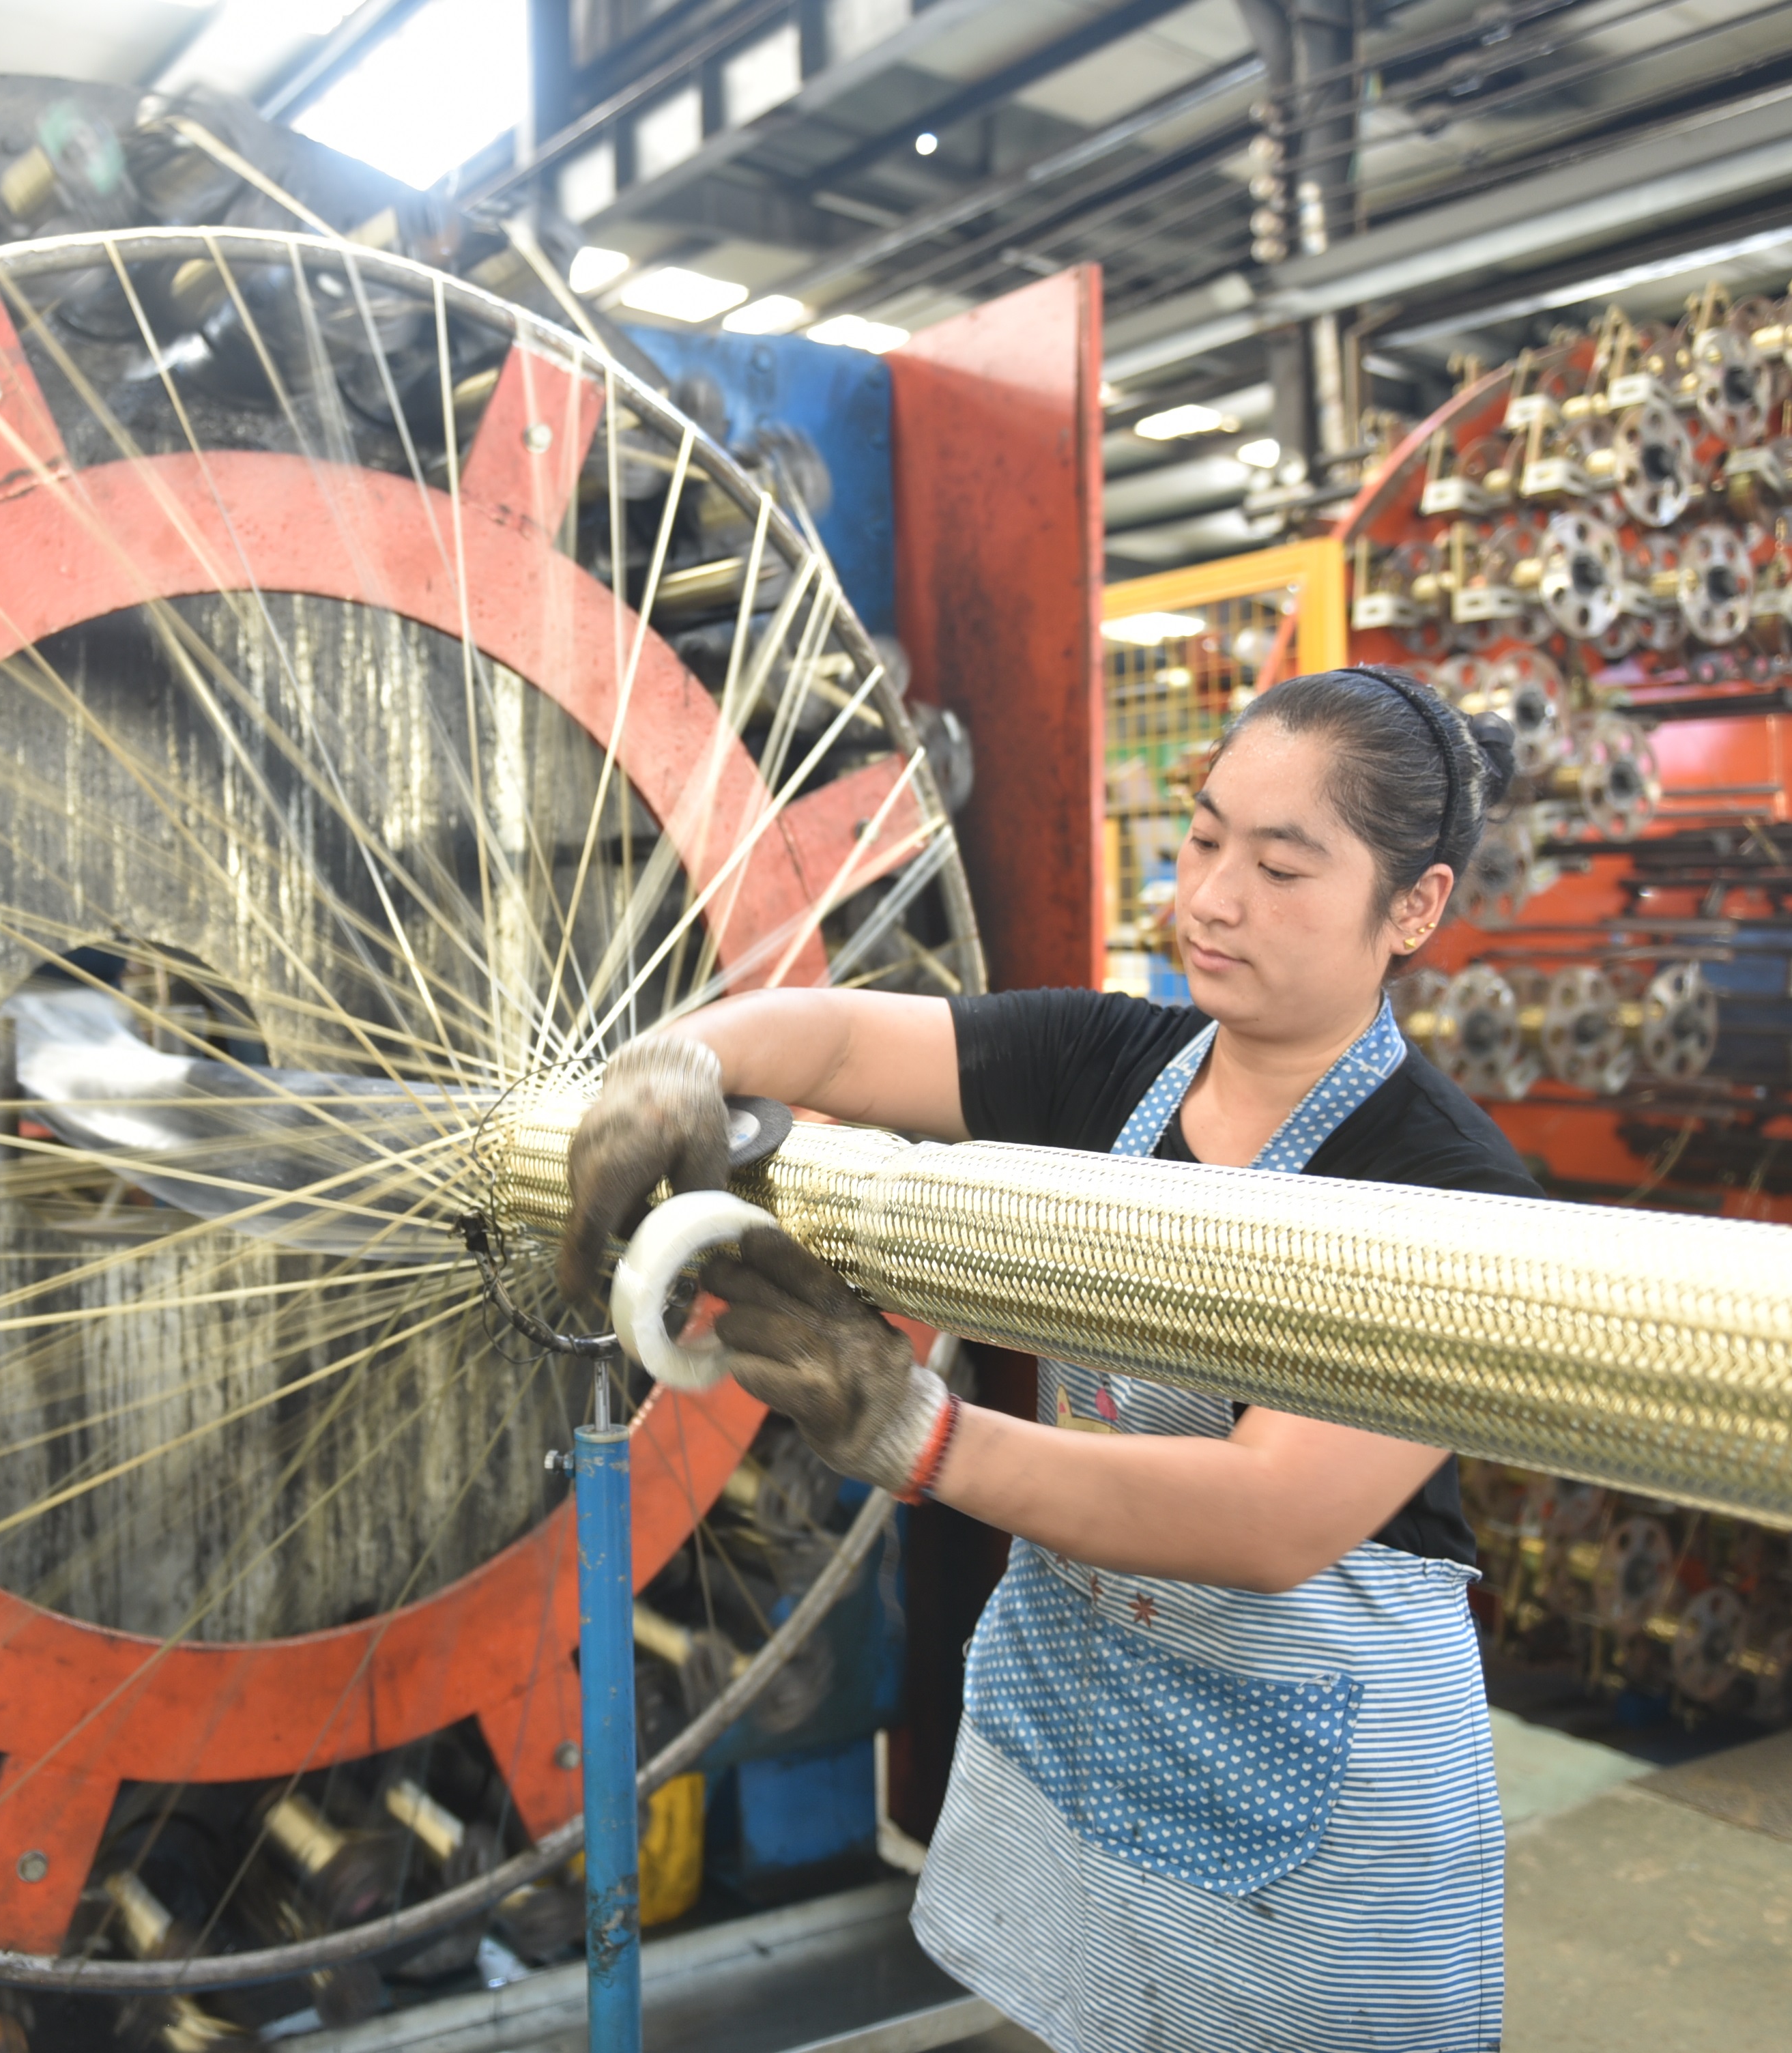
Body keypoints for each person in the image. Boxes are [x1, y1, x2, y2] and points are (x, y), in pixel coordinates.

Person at [558, 665, 1533, 2053]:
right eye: (1204, 839)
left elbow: (1270, 1518)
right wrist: (680, 1064)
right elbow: (839, 1036)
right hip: (1102, 1723)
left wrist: (916, 1432)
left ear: (1415, 906)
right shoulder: (1111, 1064)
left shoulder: (1448, 1187)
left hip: (1316, 1799)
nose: (1211, 899)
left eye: (1279, 868)